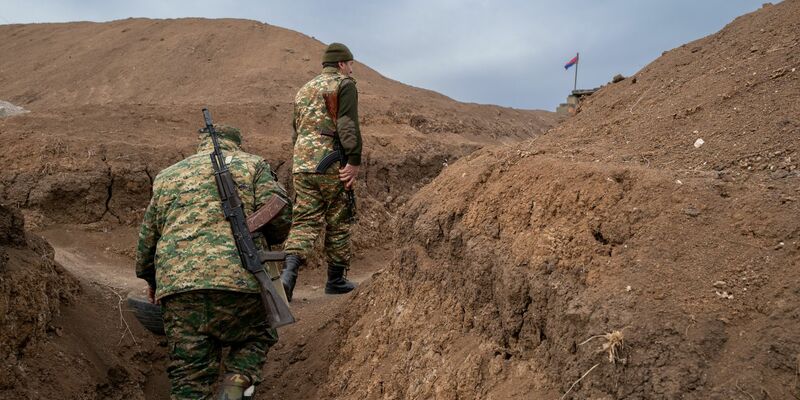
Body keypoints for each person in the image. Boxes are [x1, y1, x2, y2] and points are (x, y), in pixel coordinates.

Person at [135, 125, 292, 400]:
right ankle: (235, 387)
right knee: (257, 335)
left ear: (201, 144)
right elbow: (279, 223)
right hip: (243, 284)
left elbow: (147, 242)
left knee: (188, 377)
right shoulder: (254, 166)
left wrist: (152, 281)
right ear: (237, 144)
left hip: (180, 291)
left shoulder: (167, 176)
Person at [280, 42, 362, 301]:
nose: (351, 70)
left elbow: (295, 131)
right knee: (339, 216)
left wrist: (304, 160)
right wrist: (354, 160)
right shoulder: (344, 85)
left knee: (304, 220)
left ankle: (287, 277)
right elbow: (347, 124)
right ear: (341, 64)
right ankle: (335, 280)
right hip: (330, 163)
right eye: (350, 65)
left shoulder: (304, 90)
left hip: (302, 165)